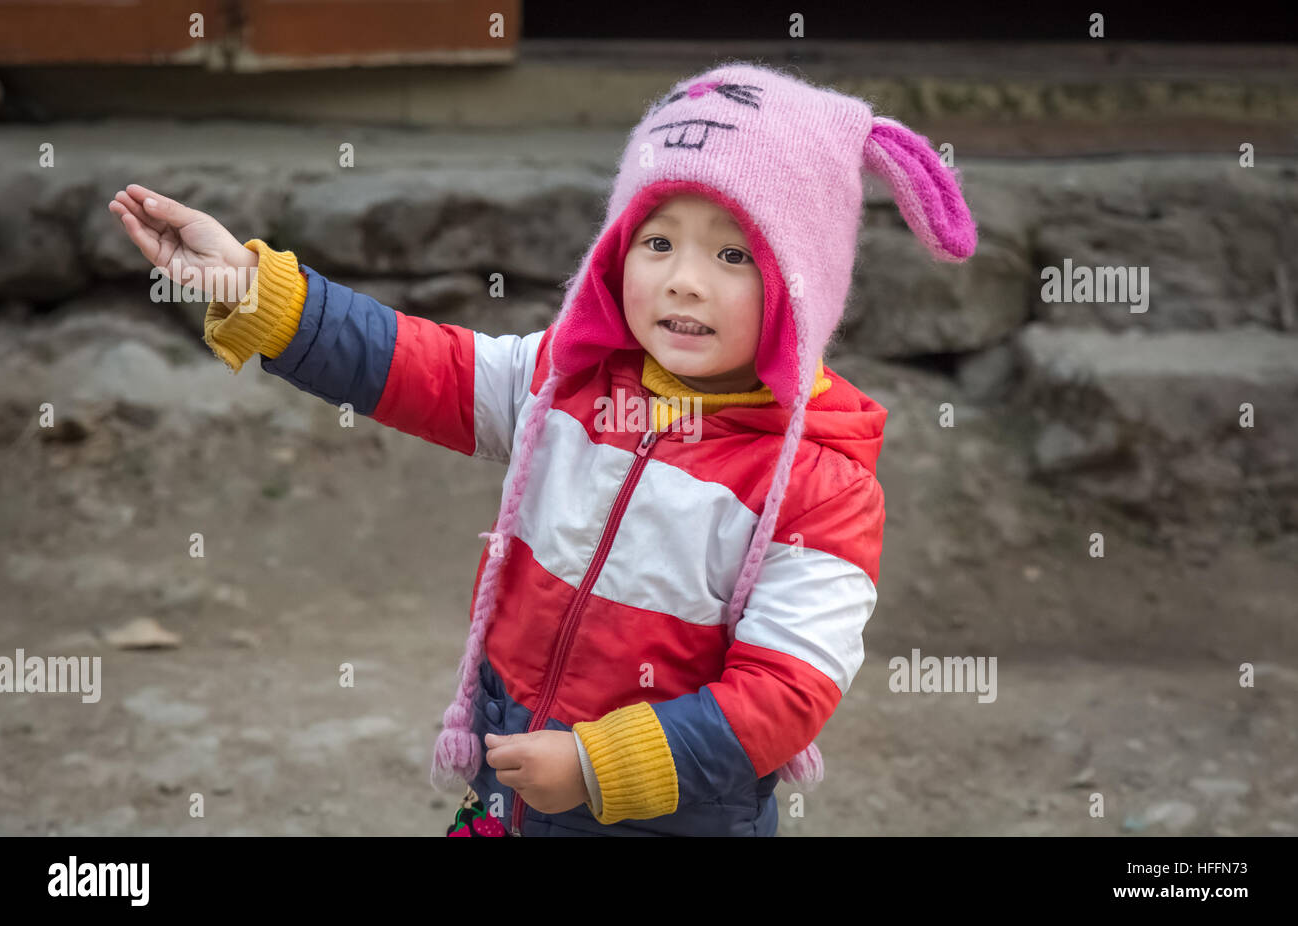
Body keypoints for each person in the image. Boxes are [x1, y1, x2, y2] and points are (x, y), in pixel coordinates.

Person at [108, 59, 977, 837]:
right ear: (615, 252)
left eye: (734, 254)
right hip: (512, 773)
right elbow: (418, 367)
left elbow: (787, 693)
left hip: (673, 815)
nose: (683, 277)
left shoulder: (821, 486)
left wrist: (601, 768)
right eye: (658, 240)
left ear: (801, 286)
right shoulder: (566, 380)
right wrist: (258, 291)